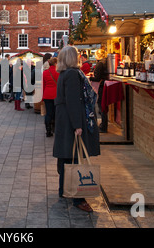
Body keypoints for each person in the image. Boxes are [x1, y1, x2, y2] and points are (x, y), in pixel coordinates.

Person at [53, 46, 100, 213]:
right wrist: (78, 125)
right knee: (75, 159)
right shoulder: (73, 74)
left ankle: (64, 191)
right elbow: (73, 101)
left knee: (66, 158)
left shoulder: (64, 74)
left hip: (64, 121)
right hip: (71, 121)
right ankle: (78, 198)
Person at [90, 49, 108, 133]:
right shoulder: (107, 62)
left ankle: (103, 126)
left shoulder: (100, 63)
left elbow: (97, 78)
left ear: (99, 55)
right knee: (104, 106)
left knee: (101, 106)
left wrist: (90, 78)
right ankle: (104, 125)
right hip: (106, 85)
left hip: (101, 86)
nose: (95, 56)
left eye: (96, 54)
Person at [42, 57, 59, 137]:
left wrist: (42, 97)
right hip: (56, 95)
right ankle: (55, 129)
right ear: (56, 63)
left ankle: (48, 130)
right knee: (56, 113)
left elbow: (43, 85)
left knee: (48, 113)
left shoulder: (45, 73)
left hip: (47, 94)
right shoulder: (59, 72)